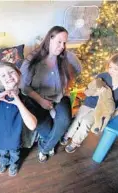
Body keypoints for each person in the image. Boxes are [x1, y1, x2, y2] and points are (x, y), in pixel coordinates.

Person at [20, 26, 81, 163]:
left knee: (65, 121)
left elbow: (78, 70)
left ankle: (44, 149)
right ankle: (50, 141)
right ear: (49, 39)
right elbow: (24, 86)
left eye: (65, 43)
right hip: (37, 98)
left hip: (60, 96)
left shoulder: (66, 57)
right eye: (59, 42)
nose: (62, 46)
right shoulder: (32, 59)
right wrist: (40, 100)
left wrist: (68, 83)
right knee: (48, 130)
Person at [61, 52, 118, 153]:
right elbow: (89, 90)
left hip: (103, 109)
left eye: (116, 69)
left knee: (86, 123)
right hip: (90, 102)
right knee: (78, 118)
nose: (111, 71)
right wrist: (96, 93)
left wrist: (114, 114)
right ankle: (67, 135)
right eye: (110, 67)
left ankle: (75, 142)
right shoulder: (103, 76)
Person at [0, 62, 37, 176]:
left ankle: (14, 163)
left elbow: (32, 125)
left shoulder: (25, 99)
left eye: (11, 72)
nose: (8, 77)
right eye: (3, 75)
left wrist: (18, 102)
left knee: (15, 153)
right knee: (3, 152)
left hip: (15, 137)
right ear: (0, 80)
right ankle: (3, 161)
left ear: (19, 74)